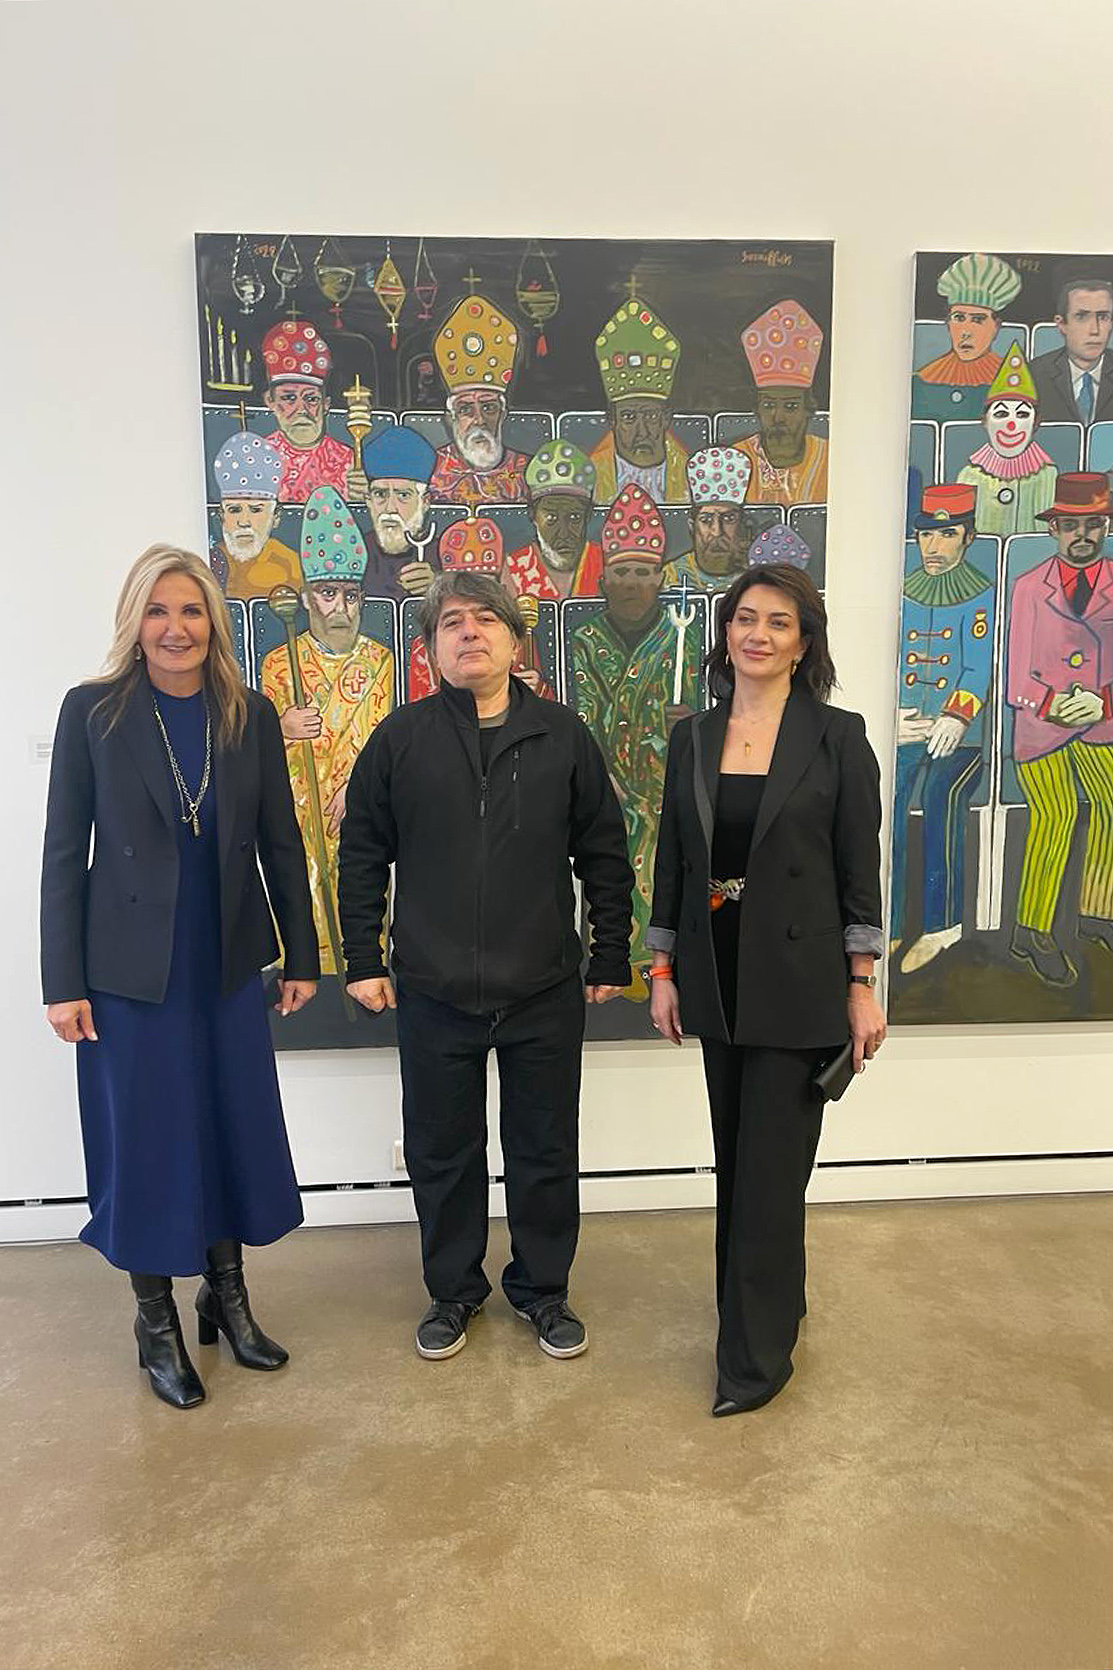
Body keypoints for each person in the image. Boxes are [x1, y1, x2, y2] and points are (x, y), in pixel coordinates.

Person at [40, 546, 318, 1410]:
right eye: (158, 611)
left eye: (191, 610)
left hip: (224, 959)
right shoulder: (92, 711)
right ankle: (154, 1317)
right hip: (127, 973)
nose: (175, 628)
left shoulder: (249, 712)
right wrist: (61, 981)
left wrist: (302, 955)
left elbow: (280, 840)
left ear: (213, 623)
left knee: (229, 1123)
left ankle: (226, 1297)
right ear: (135, 622)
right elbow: (63, 852)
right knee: (150, 1138)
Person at [338, 572, 634, 1364]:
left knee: (544, 1151)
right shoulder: (399, 740)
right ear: (430, 649)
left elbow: (604, 851)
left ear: (515, 639)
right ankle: (452, 1293)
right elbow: (361, 853)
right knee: (442, 1155)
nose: (469, 633)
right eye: (452, 623)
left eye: (485, 620)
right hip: (432, 990)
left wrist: (609, 949)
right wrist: (362, 957)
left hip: (542, 987)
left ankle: (543, 1291)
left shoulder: (562, 736)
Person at [647, 564, 885, 1416]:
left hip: (799, 981)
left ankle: (752, 1363)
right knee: (738, 1161)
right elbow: (674, 862)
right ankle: (768, 1309)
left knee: (771, 1174)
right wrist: (662, 969)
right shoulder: (693, 737)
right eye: (745, 618)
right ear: (725, 633)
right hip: (715, 976)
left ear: (802, 643)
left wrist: (861, 984)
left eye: (778, 622)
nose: (758, 634)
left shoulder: (837, 736)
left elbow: (859, 869)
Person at [568, 485, 702, 993]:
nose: (632, 583)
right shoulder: (584, 641)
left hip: (667, 784)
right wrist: (603, 778)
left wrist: (687, 721)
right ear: (604, 579)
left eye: (643, 573)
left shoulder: (683, 638)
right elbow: (582, 718)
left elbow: (707, 723)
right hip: (606, 785)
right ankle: (613, 967)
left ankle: (657, 969)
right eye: (622, 572)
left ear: (661, 578)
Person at [260, 488, 394, 976]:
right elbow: (254, 748)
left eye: (350, 595)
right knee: (303, 889)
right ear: (306, 599)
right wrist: (281, 727)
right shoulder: (280, 664)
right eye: (328, 593)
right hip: (299, 810)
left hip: (353, 806)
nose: (341, 607)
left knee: (358, 893)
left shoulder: (379, 661)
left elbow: (379, 739)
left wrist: (355, 789)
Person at [1006, 472, 1113, 985]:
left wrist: (1103, 704)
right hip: (1041, 726)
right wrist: (1052, 705)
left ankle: (1098, 912)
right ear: (1054, 530)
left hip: (1101, 723)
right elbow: (1014, 675)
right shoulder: (1029, 587)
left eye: (1093, 524)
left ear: (1106, 526)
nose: (1082, 535)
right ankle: (1032, 930)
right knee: (1058, 813)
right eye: (1071, 525)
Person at [892, 486, 994, 974]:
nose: (934, 547)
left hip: (960, 735)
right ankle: (888, 920)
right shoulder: (903, 588)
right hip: (908, 730)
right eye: (926, 536)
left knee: (941, 797)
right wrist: (891, 715)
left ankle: (942, 925)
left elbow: (978, 668)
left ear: (967, 537)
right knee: (886, 799)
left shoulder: (980, 594)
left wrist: (957, 715)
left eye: (947, 535)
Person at [429, 294, 530, 504]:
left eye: (489, 407)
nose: (479, 420)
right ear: (450, 418)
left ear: (503, 414)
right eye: (466, 409)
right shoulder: (428, 469)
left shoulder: (528, 472)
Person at [590, 295, 689, 504]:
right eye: (628, 417)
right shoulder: (591, 476)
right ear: (612, 420)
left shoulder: (689, 473)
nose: (642, 431)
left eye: (651, 416)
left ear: (666, 418)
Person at [734, 301, 829, 506]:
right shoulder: (735, 460)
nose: (778, 417)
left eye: (791, 407)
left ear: (809, 409)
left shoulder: (830, 458)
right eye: (769, 406)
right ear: (757, 410)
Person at [957, 346, 1056, 536]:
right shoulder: (969, 476)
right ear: (985, 421)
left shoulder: (1048, 476)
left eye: (1022, 415)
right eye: (1001, 414)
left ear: (1035, 423)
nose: (1012, 425)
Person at [912, 253, 1022, 422]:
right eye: (959, 318)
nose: (966, 332)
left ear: (996, 327)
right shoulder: (922, 381)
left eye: (978, 320)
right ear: (948, 324)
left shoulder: (1014, 383)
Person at [260, 317, 354, 501]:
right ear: (270, 402)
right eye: (289, 398)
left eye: (311, 399)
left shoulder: (346, 459)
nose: (301, 409)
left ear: (325, 404)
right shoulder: (259, 456)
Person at [348, 425, 442, 602]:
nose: (390, 508)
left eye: (403, 495)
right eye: (380, 494)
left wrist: (437, 586)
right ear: (368, 500)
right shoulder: (352, 553)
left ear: (425, 502)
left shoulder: (444, 554)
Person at [503, 441, 604, 598]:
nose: (563, 533)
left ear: (588, 515)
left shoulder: (606, 564)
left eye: (575, 517)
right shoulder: (512, 569)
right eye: (551, 518)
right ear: (533, 515)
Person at [210, 430, 301, 599]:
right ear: (221, 516)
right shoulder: (211, 561)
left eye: (256, 510)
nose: (244, 522)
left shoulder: (291, 563)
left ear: (276, 517)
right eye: (234, 510)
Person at [662, 447, 753, 591]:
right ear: (692, 526)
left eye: (729, 518)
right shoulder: (671, 576)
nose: (717, 532)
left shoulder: (756, 577)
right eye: (706, 520)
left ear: (742, 524)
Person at [1031, 276, 1113, 426]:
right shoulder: (1034, 375)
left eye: (1103, 317)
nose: (1095, 330)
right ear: (1062, 324)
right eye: (1081, 317)